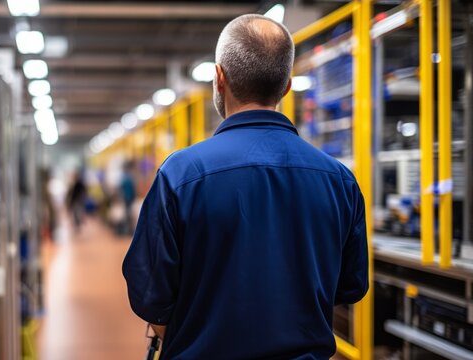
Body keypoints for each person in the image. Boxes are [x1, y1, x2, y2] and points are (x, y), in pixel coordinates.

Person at [122, 14, 368, 359]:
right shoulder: (339, 180)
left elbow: (150, 294)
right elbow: (350, 286)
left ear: (219, 79)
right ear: (286, 86)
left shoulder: (180, 175)